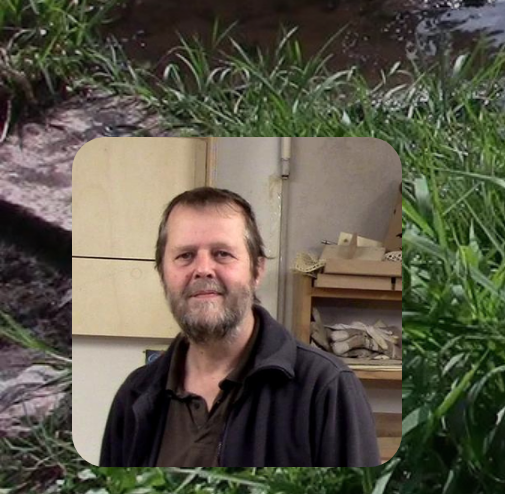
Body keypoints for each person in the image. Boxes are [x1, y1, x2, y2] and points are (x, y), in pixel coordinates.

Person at [99, 187, 380, 466]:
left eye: (222, 253)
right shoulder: (135, 395)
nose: (203, 269)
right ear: (162, 273)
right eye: (185, 256)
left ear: (257, 270)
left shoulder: (326, 389)